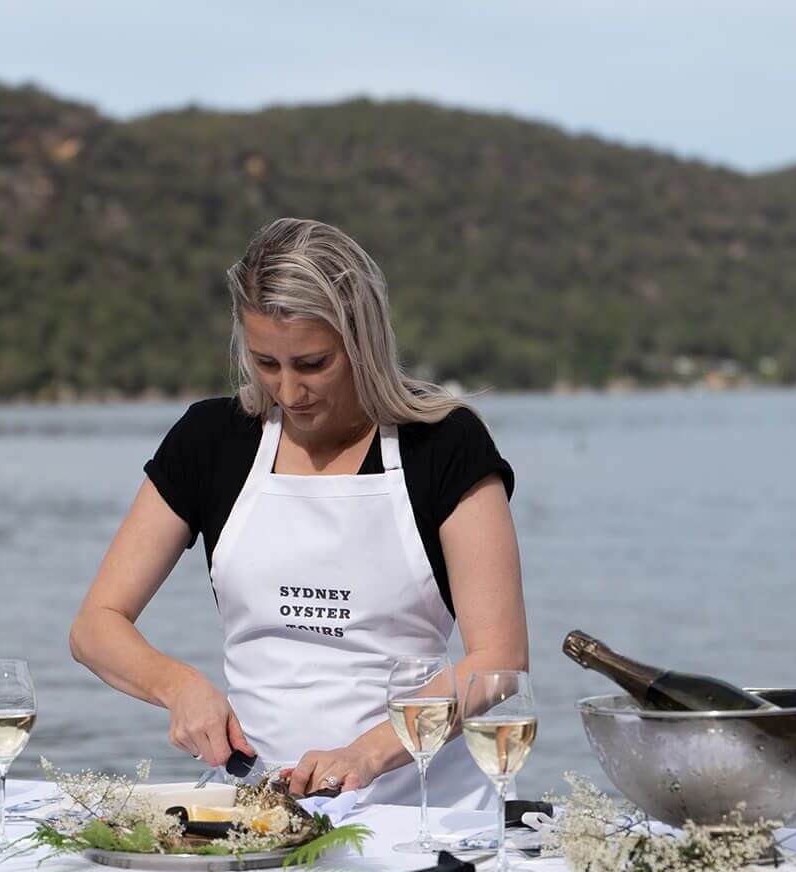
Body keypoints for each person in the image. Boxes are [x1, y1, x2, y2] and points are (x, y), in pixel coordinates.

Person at [69, 217, 528, 813]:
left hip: (424, 808)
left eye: (313, 364)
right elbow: (95, 627)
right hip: (260, 811)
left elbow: (500, 660)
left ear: (362, 340)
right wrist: (178, 686)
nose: (289, 391)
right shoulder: (211, 441)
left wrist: (368, 752)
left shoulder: (444, 445)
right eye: (266, 363)